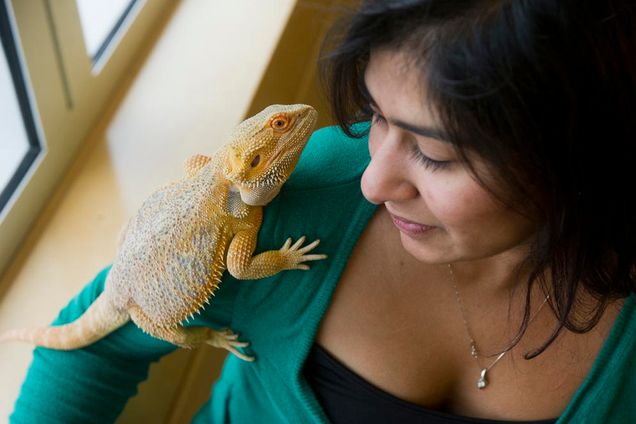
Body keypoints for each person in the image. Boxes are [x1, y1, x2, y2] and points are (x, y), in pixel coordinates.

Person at [10, 0, 636, 422]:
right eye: (375, 116)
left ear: (575, 152)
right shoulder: (300, 191)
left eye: (435, 153)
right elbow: (86, 349)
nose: (373, 181)